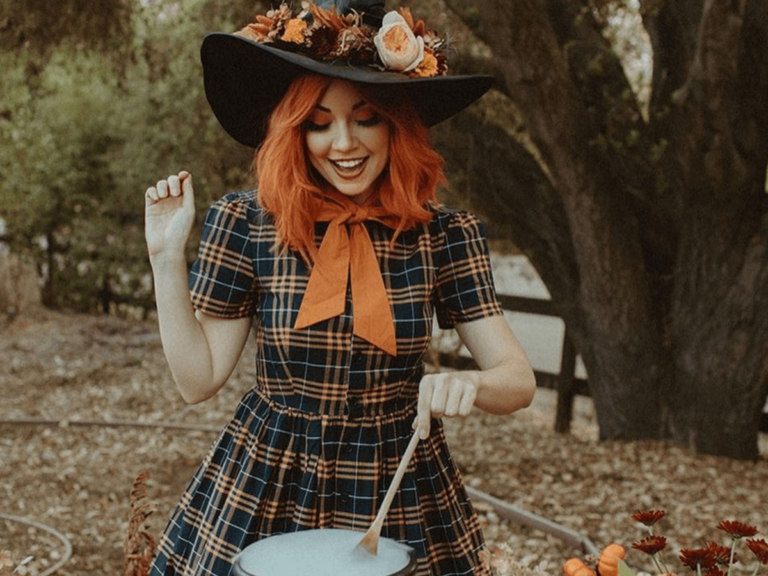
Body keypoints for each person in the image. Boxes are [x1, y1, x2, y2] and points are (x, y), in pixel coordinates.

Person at [144, 1, 536, 575]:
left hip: (397, 485)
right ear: (292, 131)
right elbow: (197, 381)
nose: (344, 143)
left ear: (397, 123)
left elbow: (518, 381)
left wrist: (470, 385)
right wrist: (163, 257)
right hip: (268, 482)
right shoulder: (249, 223)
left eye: (366, 116)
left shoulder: (443, 236)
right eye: (318, 122)